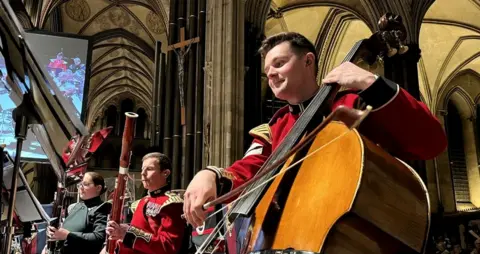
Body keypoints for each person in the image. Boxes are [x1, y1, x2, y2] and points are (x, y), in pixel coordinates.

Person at [183, 31, 448, 228]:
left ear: (308, 61)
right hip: (287, 235)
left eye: (279, 63)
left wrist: (371, 82)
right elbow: (250, 169)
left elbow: (430, 142)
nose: (271, 74)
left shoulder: (353, 104)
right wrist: (211, 174)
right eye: (267, 70)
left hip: (353, 229)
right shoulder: (274, 127)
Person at [90, 152, 187, 254]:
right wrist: (108, 246)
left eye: (149, 169)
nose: (142, 173)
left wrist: (128, 234)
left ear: (165, 173)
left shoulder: (171, 203)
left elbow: (168, 246)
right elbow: (127, 234)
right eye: (142, 169)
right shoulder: (139, 203)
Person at [20, 172, 110, 254]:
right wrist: (51, 239)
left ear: (98, 188)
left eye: (86, 184)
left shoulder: (102, 209)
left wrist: (68, 235)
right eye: (80, 184)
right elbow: (64, 231)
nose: (80, 187)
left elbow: (99, 237)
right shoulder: (75, 207)